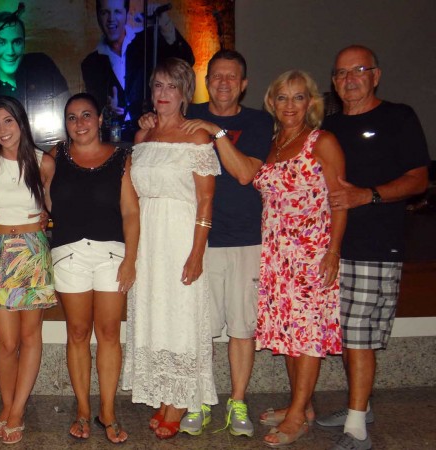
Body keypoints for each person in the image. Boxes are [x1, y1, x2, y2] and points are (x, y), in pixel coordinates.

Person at [137, 49, 273, 437]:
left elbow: (245, 174)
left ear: (243, 84)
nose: (224, 83)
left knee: (241, 327)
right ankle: (193, 399)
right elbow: (159, 127)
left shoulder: (256, 122)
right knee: (196, 327)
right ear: (205, 81)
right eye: (217, 76)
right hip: (194, 240)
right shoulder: (185, 112)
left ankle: (238, 401)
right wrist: (150, 119)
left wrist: (217, 132)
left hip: (242, 237)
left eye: (232, 77)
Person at [317, 45, 430, 450]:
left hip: (376, 246)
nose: (349, 79)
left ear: (375, 75)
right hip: (333, 247)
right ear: (334, 81)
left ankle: (356, 428)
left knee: (359, 336)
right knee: (347, 334)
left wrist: (369, 195)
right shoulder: (329, 126)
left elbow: (418, 179)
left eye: (358, 70)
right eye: (341, 73)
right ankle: (359, 408)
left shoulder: (398, 117)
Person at [122, 57, 219, 440]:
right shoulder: (142, 137)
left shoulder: (198, 137)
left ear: (184, 93)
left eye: (172, 86)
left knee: (180, 315)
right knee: (154, 313)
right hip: (147, 238)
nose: (163, 93)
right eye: (158, 86)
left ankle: (180, 399)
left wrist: (196, 253)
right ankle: (163, 391)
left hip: (180, 235)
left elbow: (206, 201)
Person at [253, 70, 347, 447]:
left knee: (307, 335)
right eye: (282, 97)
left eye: (298, 97)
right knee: (289, 333)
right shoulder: (274, 142)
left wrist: (333, 251)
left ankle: (297, 416)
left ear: (311, 102)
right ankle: (301, 405)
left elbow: (340, 200)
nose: (290, 105)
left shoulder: (322, 141)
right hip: (278, 256)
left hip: (311, 253)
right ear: (271, 103)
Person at [48, 92, 139, 444]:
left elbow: (130, 212)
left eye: (86, 115)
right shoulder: (55, 156)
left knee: (110, 333)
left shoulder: (121, 158)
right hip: (68, 254)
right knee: (77, 332)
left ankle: (109, 412)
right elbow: (37, 193)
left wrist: (130, 259)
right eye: (72, 117)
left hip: (112, 254)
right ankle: (83, 410)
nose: (79, 123)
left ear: (99, 118)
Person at [0, 96, 56, 444]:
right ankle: (7, 405)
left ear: (21, 121)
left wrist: (48, 217)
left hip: (32, 251)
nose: (2, 130)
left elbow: (56, 206)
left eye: (8, 121)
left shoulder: (43, 162)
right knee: (6, 342)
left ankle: (17, 411)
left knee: (30, 337)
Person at [82, 1, 194, 140]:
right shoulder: (90, 63)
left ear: (126, 13)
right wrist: (108, 110)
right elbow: (94, 110)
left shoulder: (147, 41)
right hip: (115, 139)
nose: (111, 19)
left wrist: (165, 23)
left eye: (117, 12)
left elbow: (186, 60)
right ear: (98, 16)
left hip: (151, 132)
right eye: (105, 12)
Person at [0, 11, 70, 149]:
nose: (10, 51)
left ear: (23, 44)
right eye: (1, 42)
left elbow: (68, 115)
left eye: (16, 42)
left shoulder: (43, 65)